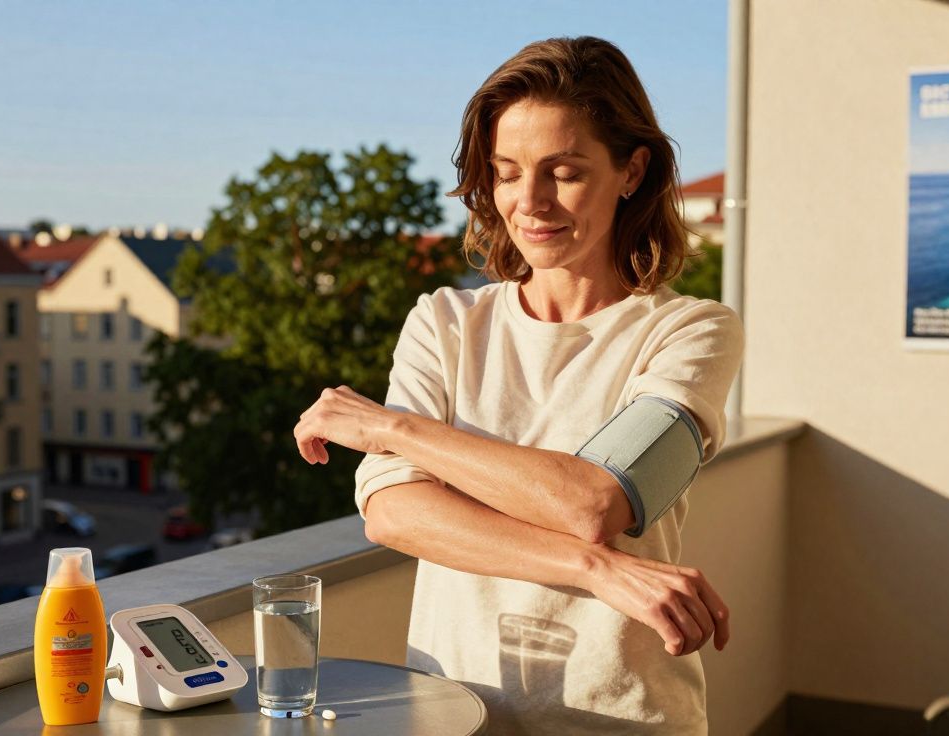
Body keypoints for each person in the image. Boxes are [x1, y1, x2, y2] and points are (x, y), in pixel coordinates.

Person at [293, 36, 745, 735]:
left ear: (632, 171)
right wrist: (596, 571)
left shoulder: (691, 333)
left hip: (620, 719)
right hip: (453, 714)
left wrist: (392, 427)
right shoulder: (444, 322)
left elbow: (597, 500)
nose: (528, 201)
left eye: (563, 171)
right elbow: (394, 513)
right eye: (506, 172)